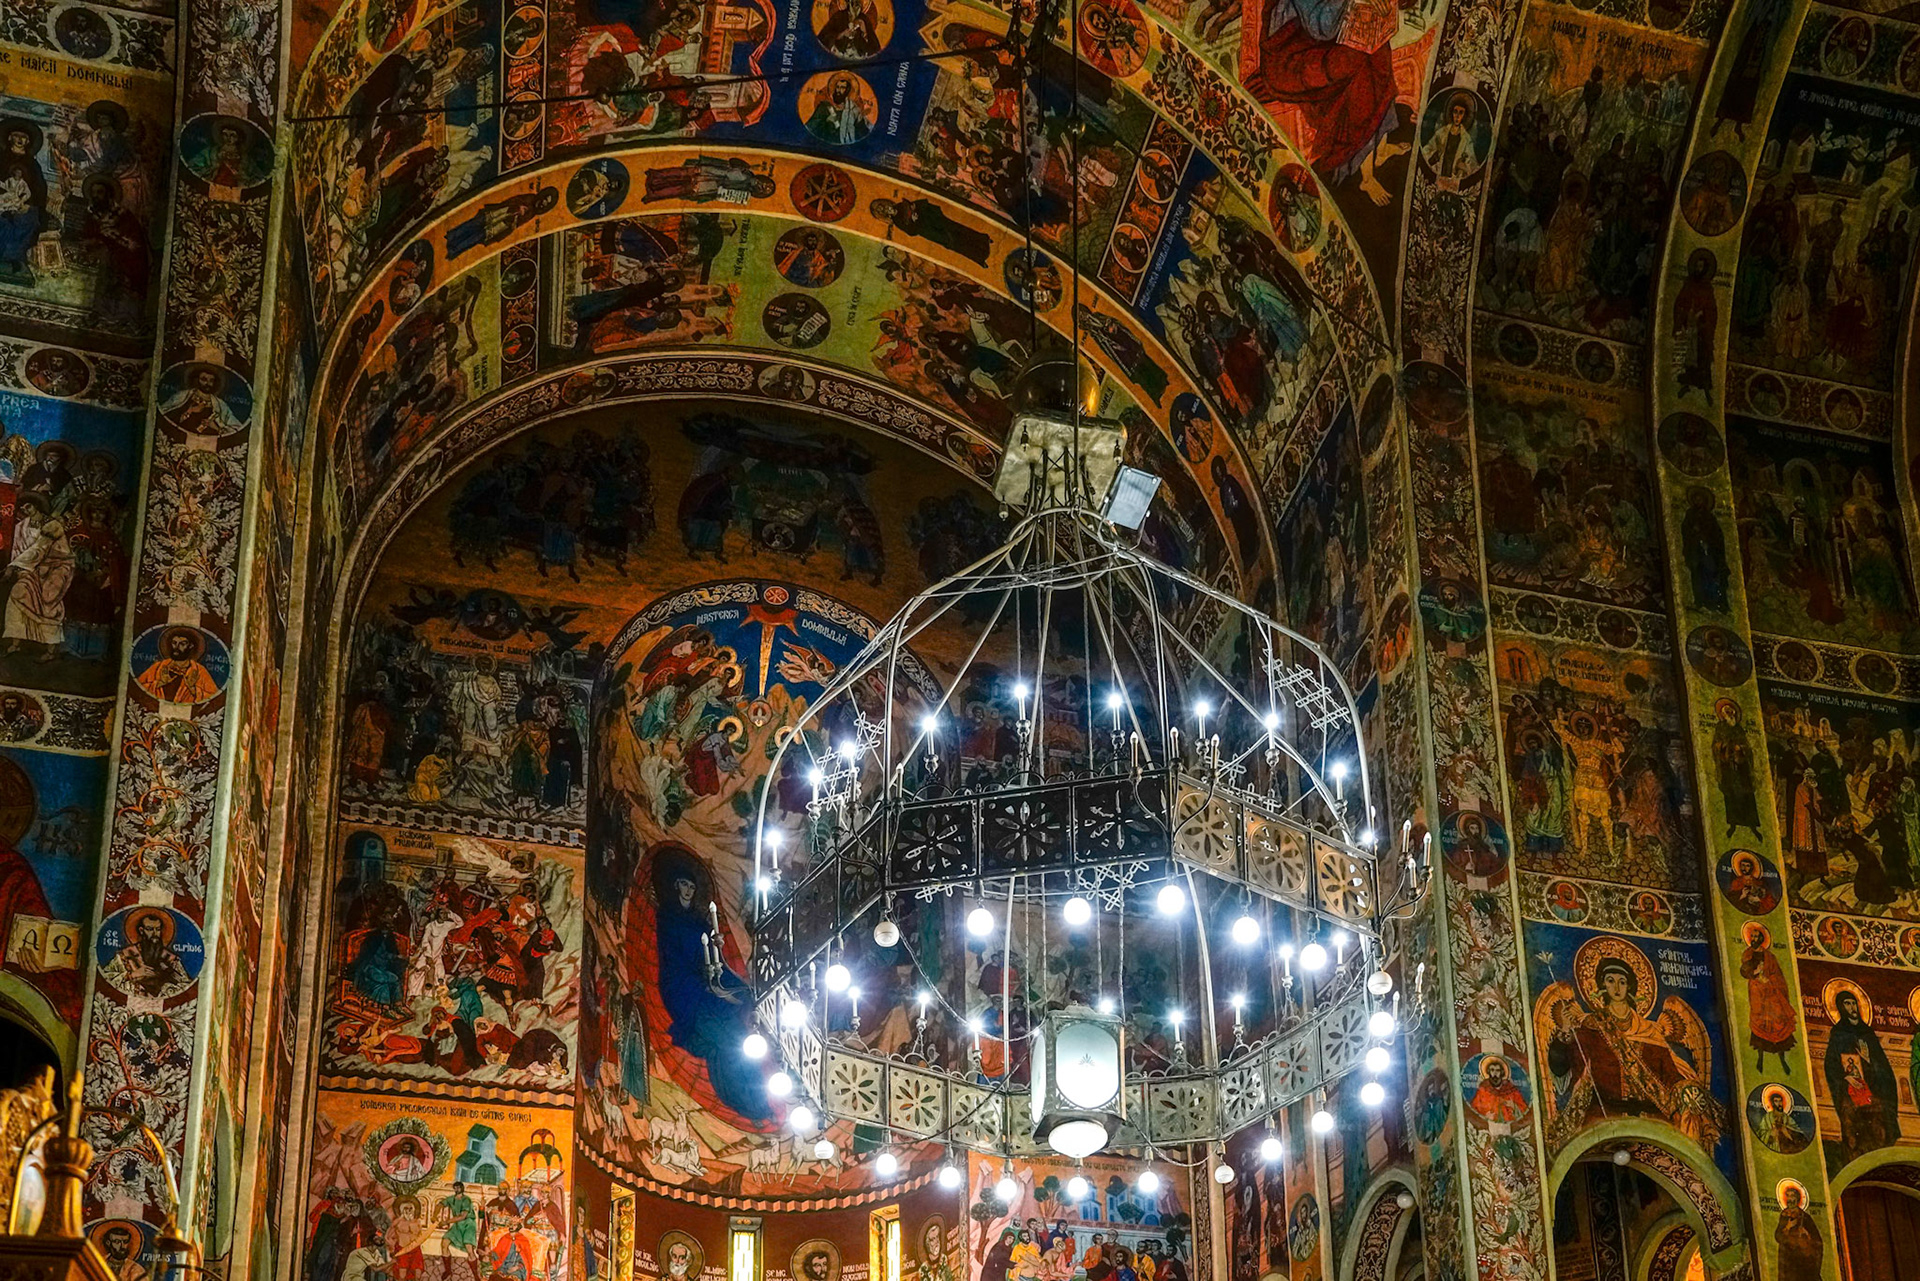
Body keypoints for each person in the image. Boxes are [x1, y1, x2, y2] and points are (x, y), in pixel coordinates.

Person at [1824, 987, 1897, 1161]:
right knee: (1853, 1128)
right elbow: (1831, 1065)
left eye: (1853, 1003)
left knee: (1878, 1125)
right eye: (1847, 1004)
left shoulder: (1868, 1034)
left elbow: (1883, 1068)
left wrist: (1867, 1060)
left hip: (1872, 1092)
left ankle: (1879, 1156)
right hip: (1849, 1092)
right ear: (1841, 1008)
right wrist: (1846, 1078)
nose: (1852, 1008)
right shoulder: (1838, 1034)